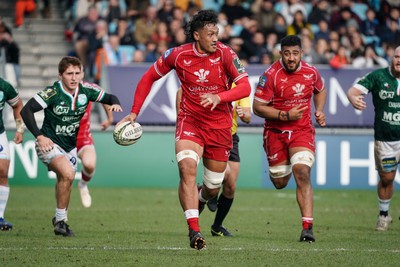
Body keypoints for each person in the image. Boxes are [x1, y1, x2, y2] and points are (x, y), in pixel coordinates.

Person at [117, 10, 251, 250]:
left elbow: (244, 88)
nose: (215, 38)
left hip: (220, 127)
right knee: (187, 168)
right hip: (191, 122)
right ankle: (194, 230)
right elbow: (148, 78)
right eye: (210, 34)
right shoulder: (177, 55)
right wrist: (135, 111)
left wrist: (219, 97)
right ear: (197, 35)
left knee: (212, 188)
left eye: (216, 33)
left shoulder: (227, 54)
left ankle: (200, 198)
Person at [20, 56, 122, 237]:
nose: (74, 78)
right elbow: (26, 110)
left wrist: (115, 104)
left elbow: (111, 97)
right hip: (49, 143)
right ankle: (60, 221)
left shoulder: (86, 91)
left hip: (70, 147)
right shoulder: (52, 92)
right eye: (69, 74)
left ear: (82, 73)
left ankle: (60, 220)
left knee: (65, 182)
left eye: (77, 73)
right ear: (60, 75)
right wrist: (40, 136)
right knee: (67, 174)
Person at [253, 35, 327, 242]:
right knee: (279, 182)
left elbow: (320, 90)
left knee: (302, 172)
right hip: (275, 133)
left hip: (301, 131)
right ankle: (279, 172)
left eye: (295, 53)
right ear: (281, 54)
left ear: (301, 53)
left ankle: (307, 228)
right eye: (287, 54)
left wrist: (319, 110)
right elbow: (257, 107)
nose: (291, 58)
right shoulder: (271, 75)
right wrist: (284, 115)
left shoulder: (311, 72)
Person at [347, 46, 400, 231]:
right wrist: (353, 98)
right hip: (385, 139)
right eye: (396, 56)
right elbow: (353, 91)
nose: (399, 60)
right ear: (391, 58)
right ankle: (384, 214)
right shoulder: (378, 76)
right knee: (387, 178)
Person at [206, 92, 251, 237]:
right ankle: (208, 193)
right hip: (214, 136)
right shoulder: (216, 81)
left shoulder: (240, 87)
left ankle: (217, 226)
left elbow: (248, 117)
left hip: (231, 138)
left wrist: (243, 114)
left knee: (231, 186)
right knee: (224, 174)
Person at [77, 101, 113, 208]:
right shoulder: (59, 91)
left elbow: (105, 98)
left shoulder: (88, 89)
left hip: (83, 139)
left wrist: (110, 119)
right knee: (65, 179)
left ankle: (83, 184)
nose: (74, 82)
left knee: (89, 165)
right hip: (62, 140)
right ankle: (61, 216)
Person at [0, 77, 24, 231]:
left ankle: (0, 217)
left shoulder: (3, 86)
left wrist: (20, 129)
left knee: (2, 172)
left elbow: (18, 105)